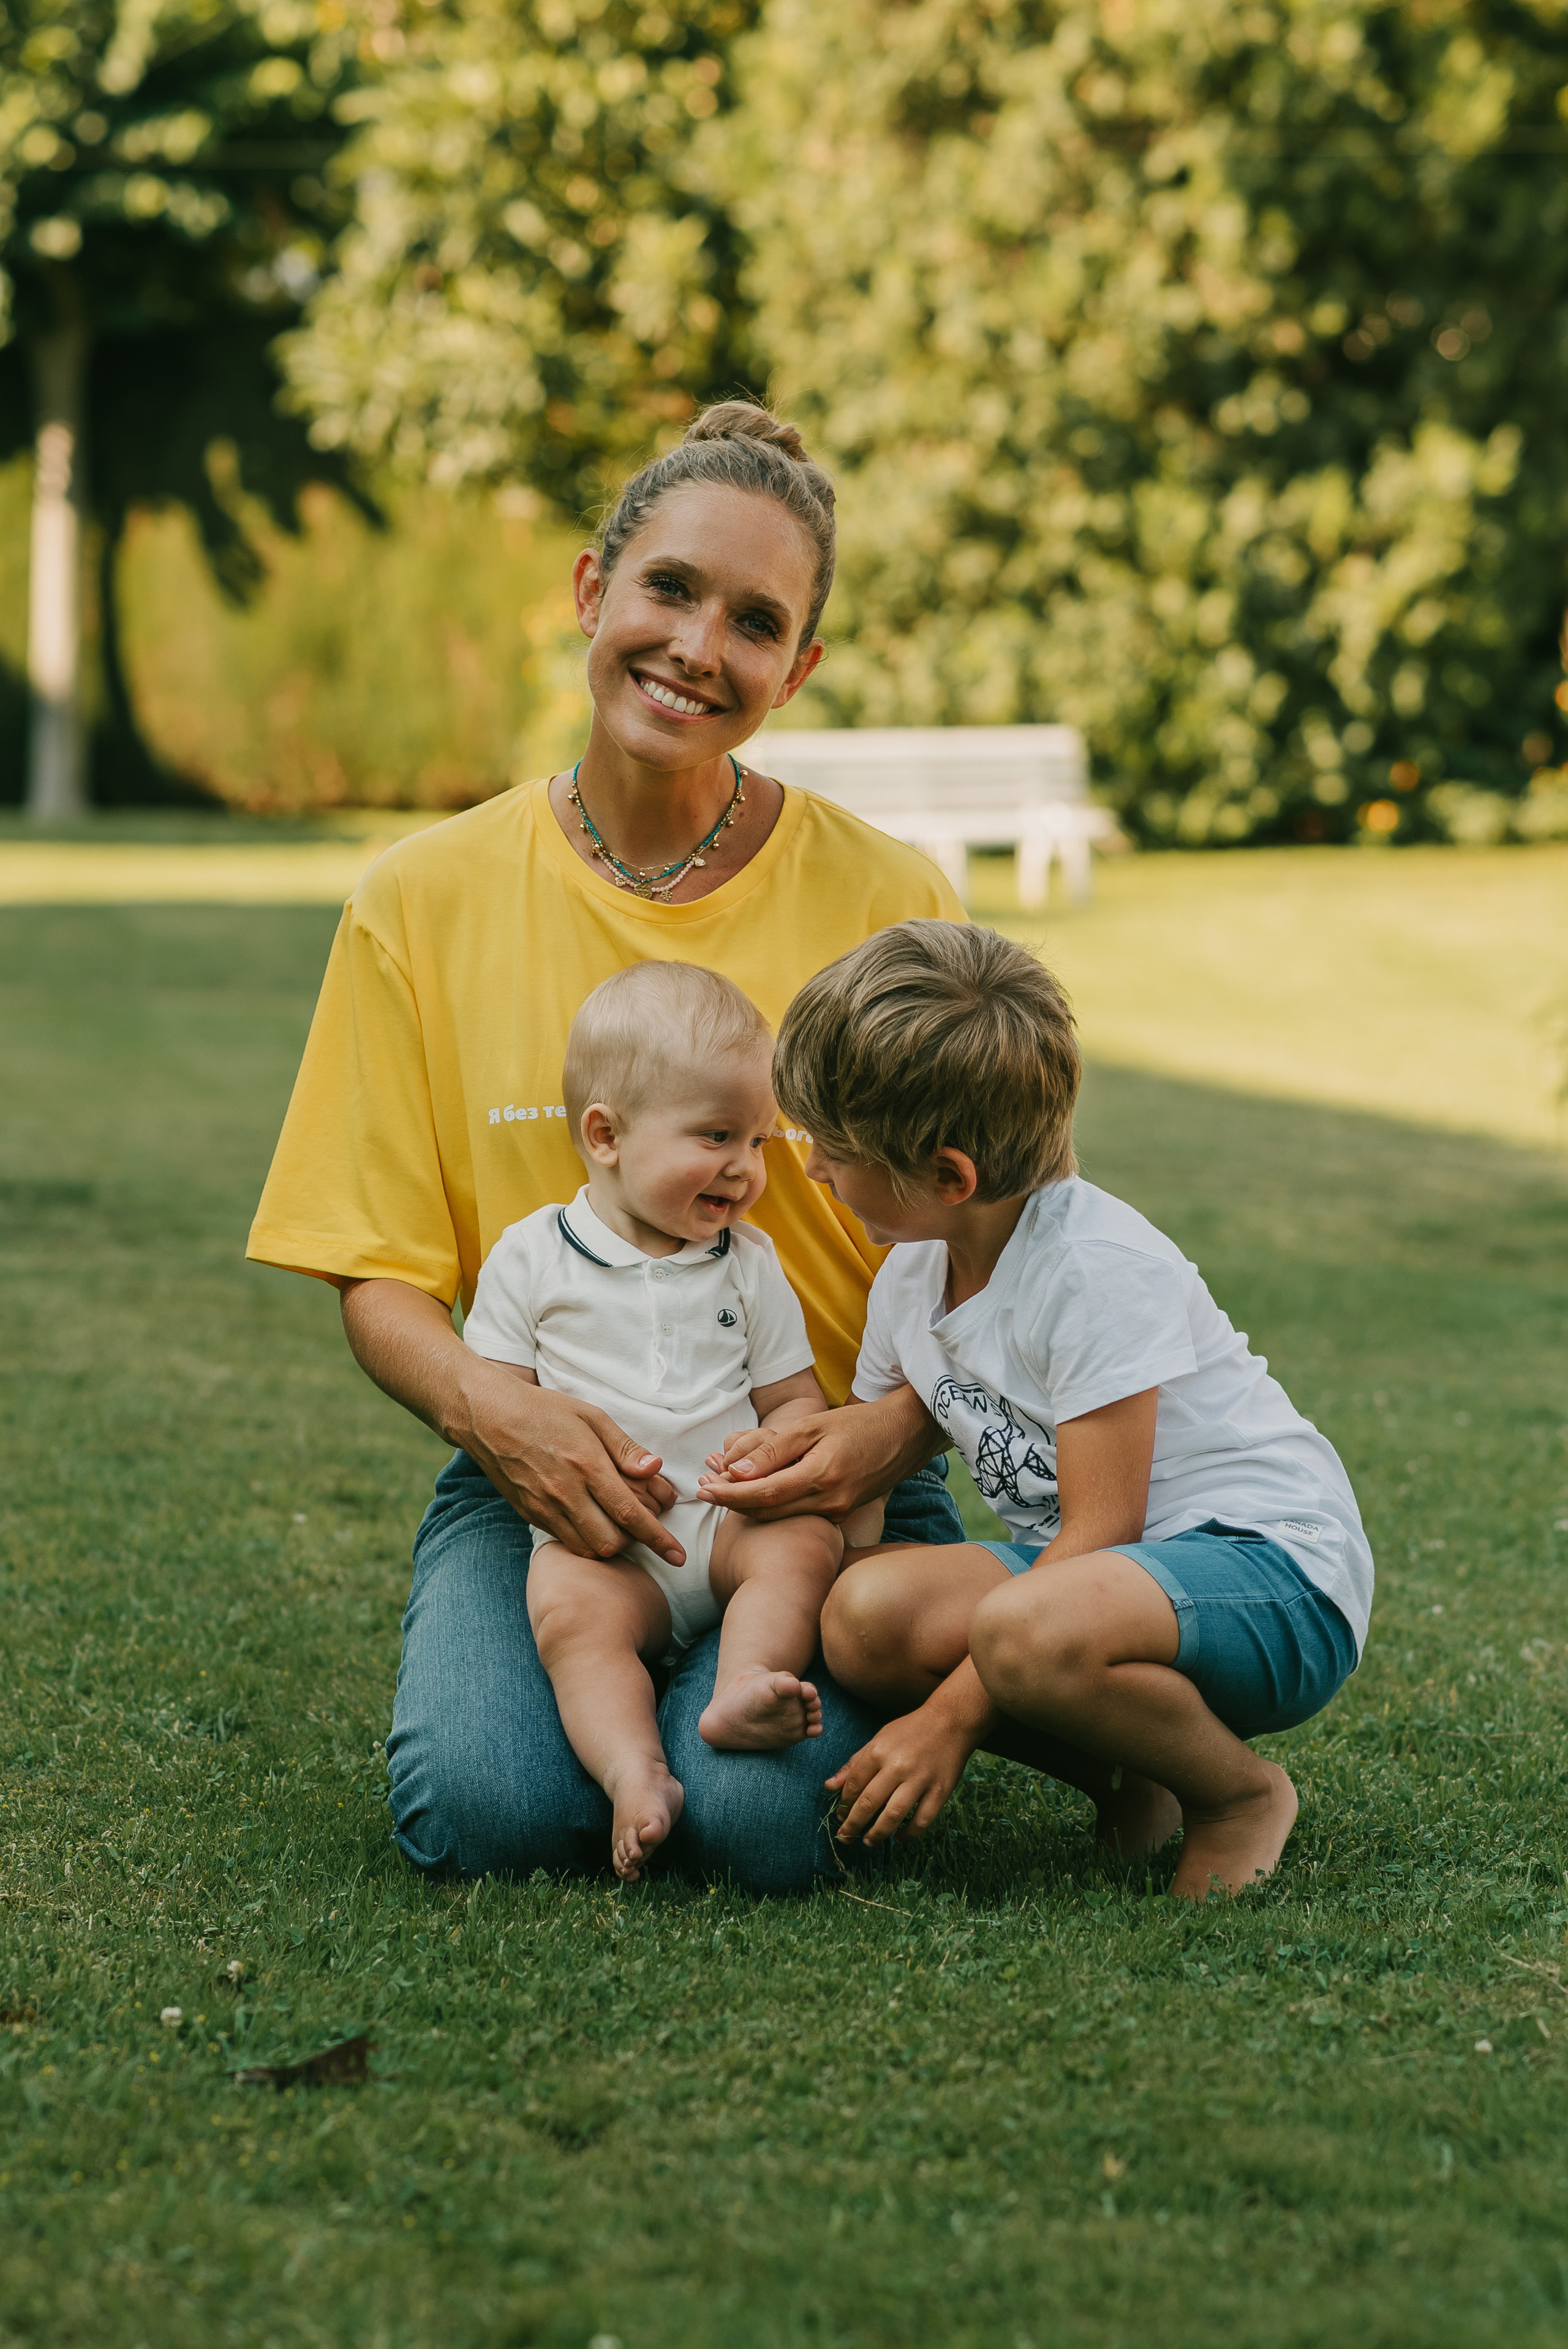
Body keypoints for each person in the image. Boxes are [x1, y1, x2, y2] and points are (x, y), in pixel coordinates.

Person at [246, 399, 969, 1894]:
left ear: (798, 670)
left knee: (763, 1831)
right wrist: (497, 1422)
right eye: (669, 590)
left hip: (816, 1463)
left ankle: (830, 1677)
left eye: (755, 622)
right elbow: (376, 1280)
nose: (700, 648)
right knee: (490, 1819)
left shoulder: (890, 894)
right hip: (547, 1470)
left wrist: (886, 1440)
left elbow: (997, 1226)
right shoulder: (421, 898)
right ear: (591, 592)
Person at [700, 920, 1374, 1897]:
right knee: (863, 1618)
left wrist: (948, 1719)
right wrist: (787, 1508)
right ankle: (1137, 1775)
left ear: (948, 1177)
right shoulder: (910, 1280)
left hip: (1271, 1571)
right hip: (1089, 1596)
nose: (811, 1172)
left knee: (1023, 1629)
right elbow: (873, 1477)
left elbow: (1105, 1529)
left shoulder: (1094, 1268)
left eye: (833, 1152)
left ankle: (1238, 1794)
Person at [463, 961, 883, 1883]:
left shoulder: (749, 1261)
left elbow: (793, 1400)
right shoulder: (532, 1257)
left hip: (730, 1519)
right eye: (717, 1136)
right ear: (605, 1135)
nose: (747, 1166)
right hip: (607, 1532)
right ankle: (635, 1773)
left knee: (800, 1541)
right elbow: (493, 1401)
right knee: (574, 1619)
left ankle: (742, 1684)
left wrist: (783, 1453)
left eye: (761, 1140)